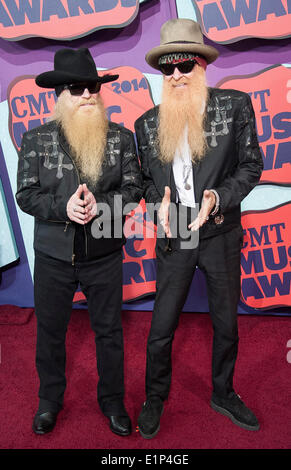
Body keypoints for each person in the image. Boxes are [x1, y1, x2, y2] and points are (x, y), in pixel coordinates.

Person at [134, 19, 263, 438]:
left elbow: (251, 166)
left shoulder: (235, 105)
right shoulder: (147, 125)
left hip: (221, 231)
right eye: (167, 68)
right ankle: (155, 396)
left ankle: (224, 392)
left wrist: (218, 197)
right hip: (175, 237)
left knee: (226, 323)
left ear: (202, 64)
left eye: (185, 65)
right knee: (161, 327)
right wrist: (158, 204)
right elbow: (146, 182)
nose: (175, 75)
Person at [16, 48, 143, 436]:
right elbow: (26, 195)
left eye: (92, 87)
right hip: (53, 256)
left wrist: (99, 205)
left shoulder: (121, 138)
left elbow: (135, 188)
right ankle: (49, 402)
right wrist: (63, 207)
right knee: (50, 332)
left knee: (109, 332)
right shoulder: (36, 139)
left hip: (103, 254)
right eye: (77, 88)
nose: (87, 95)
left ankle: (113, 401)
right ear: (61, 96)